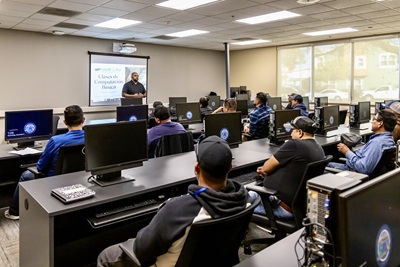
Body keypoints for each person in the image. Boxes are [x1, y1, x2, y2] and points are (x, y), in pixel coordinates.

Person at [97, 136, 252, 267]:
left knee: (106, 255)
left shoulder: (177, 209)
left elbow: (142, 251)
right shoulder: (245, 198)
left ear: (196, 168)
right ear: (230, 168)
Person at [4, 105, 85, 220]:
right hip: (80, 180)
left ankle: (14, 212)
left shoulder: (55, 140)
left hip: (54, 181)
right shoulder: (91, 137)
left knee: (25, 175)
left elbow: (41, 167)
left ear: (65, 122)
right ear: (83, 120)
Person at [248, 116, 325, 219]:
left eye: (292, 130)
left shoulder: (294, 144)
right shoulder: (319, 148)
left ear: (300, 133)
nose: (290, 133)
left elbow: (266, 167)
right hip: (299, 208)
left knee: (240, 204)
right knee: (249, 196)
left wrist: (265, 170)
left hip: (278, 207)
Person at [326, 109, 396, 175]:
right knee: (329, 164)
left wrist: (347, 151)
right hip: (356, 168)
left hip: (354, 173)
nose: (372, 122)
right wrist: (352, 152)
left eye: (374, 119)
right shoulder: (389, 139)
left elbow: (363, 169)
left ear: (380, 124)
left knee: (321, 169)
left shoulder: (377, 143)